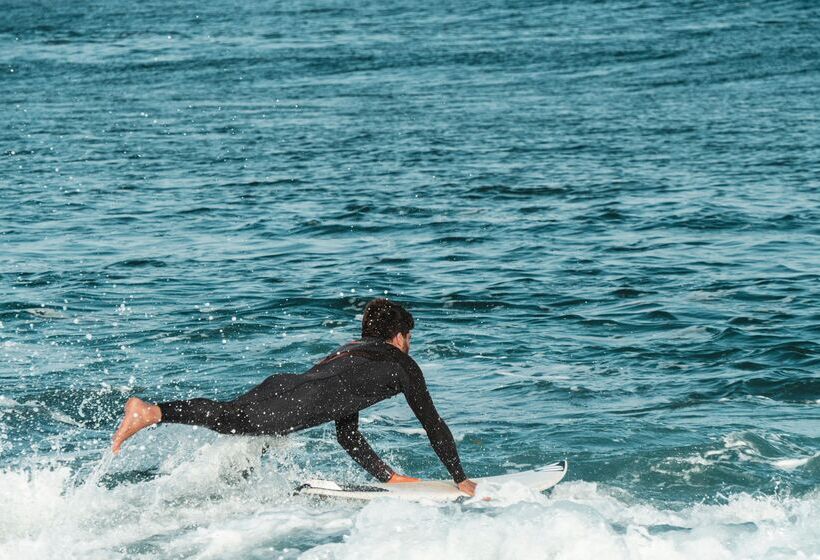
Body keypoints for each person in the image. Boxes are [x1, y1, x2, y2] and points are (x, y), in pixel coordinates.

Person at [112, 298, 477, 496]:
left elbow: (346, 434)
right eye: (409, 338)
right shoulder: (401, 365)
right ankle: (152, 412)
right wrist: (460, 478)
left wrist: (388, 478)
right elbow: (433, 424)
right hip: (302, 399)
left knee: (242, 427)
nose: (409, 345)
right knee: (233, 421)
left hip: (284, 386)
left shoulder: (349, 353)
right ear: (399, 336)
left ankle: (225, 491)